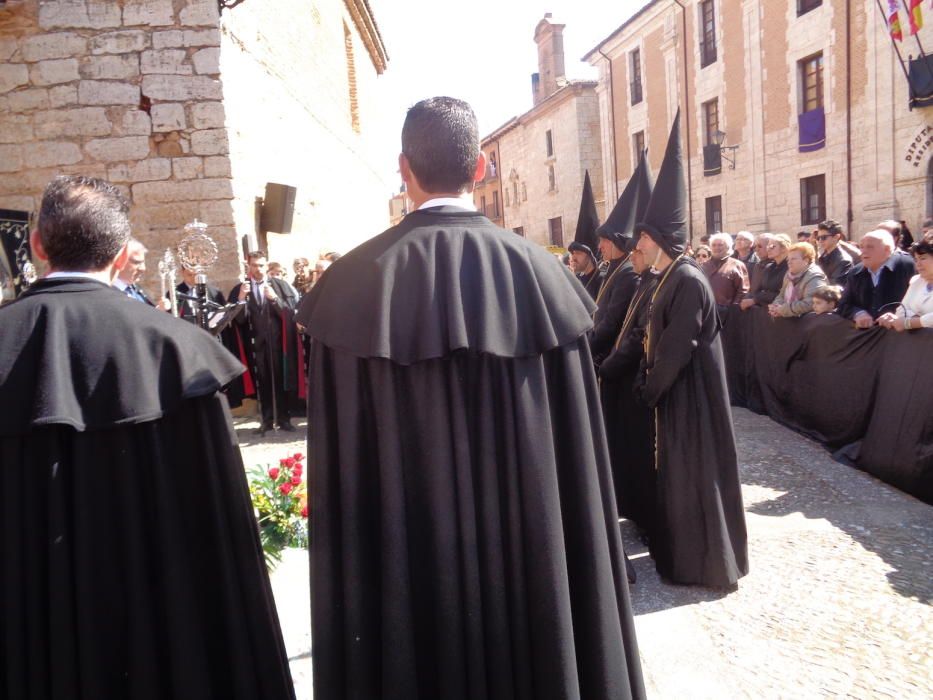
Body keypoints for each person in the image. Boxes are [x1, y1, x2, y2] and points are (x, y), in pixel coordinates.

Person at [296, 96, 645, 700]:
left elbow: (347, 473)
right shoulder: (542, 274)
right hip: (529, 565)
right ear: (481, 167)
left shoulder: (350, 285)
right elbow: (573, 468)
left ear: (402, 169)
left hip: (408, 573)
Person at [0, 175, 294, 697]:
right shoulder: (177, 351)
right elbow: (215, 527)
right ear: (119, 254)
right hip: (157, 634)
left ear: (39, 245)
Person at [633, 110, 748, 588]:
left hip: (690, 397)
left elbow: (677, 347)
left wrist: (649, 390)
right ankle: (678, 552)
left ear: (660, 239)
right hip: (675, 395)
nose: (637, 243)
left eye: (643, 236)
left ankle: (703, 563)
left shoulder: (686, 280)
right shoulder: (669, 276)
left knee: (695, 477)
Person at [597, 247, 658, 533]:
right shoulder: (640, 279)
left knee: (642, 452)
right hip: (623, 374)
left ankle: (647, 519)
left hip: (637, 378)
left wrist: (610, 365)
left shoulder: (653, 282)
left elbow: (639, 335)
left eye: (639, 248)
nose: (634, 256)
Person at [588, 150, 653, 367]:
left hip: (611, 355)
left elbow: (613, 321)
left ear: (615, 241)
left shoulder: (627, 272)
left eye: (603, 241)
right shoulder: (613, 267)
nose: (600, 247)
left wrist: (589, 347)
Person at [229, 251, 301, 435]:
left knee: (280, 379)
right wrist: (240, 299)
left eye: (261, 265)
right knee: (263, 382)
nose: (258, 269)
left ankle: (284, 419)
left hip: (278, 343)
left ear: (266, 265)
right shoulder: (241, 288)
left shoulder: (280, 285)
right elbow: (239, 321)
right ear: (248, 266)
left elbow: (290, 313)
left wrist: (274, 299)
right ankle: (267, 420)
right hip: (254, 345)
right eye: (254, 265)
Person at [838, 229, 916, 327]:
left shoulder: (907, 266)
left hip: (900, 335)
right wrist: (858, 313)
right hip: (868, 335)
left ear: (887, 250)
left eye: (870, 247)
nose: (863, 251)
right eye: (861, 247)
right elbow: (844, 305)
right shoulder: (856, 272)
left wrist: (899, 316)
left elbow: (919, 304)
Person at [877, 234, 933, 330]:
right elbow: (901, 311)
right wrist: (917, 319)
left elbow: (906, 320)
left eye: (923, 258)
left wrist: (911, 322)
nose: (918, 264)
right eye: (916, 260)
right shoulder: (916, 281)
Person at [768, 242, 827, 317]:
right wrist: (775, 306)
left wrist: (782, 309)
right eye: (788, 259)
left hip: (807, 324)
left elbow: (810, 303)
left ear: (806, 260)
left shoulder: (815, 276)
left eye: (793, 259)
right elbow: (781, 295)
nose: (789, 262)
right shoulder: (789, 274)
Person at [740, 233, 790, 310]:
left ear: (784, 248)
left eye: (772, 247)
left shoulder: (791, 267)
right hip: (765, 311)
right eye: (767, 246)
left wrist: (756, 300)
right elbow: (758, 291)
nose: (768, 249)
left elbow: (784, 294)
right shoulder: (769, 267)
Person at [702, 232, 749, 308]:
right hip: (707, 311)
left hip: (728, 312)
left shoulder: (738, 265)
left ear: (728, 247)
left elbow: (743, 290)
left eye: (720, 245)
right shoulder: (704, 266)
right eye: (714, 245)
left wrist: (734, 308)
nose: (717, 248)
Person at [112, 238, 159, 306]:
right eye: (136, 262)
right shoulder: (107, 294)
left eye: (143, 262)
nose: (143, 268)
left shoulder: (136, 289)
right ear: (119, 260)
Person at [816, 219, 853, 286]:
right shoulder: (822, 257)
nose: (820, 241)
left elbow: (834, 287)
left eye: (824, 237)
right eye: (818, 238)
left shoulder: (844, 261)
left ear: (836, 237)